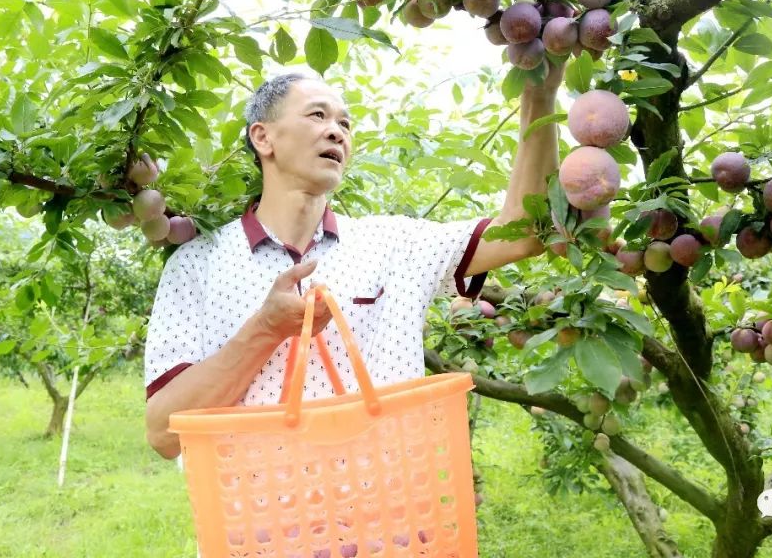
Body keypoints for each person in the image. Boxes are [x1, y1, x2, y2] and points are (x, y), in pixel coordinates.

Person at [145, 66, 562, 459]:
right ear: (263, 137)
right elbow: (164, 433)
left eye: (345, 124)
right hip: (259, 523)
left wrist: (539, 94)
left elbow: (524, 232)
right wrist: (264, 330)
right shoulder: (197, 265)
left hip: (385, 517)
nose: (336, 131)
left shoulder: (394, 244)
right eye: (317, 115)